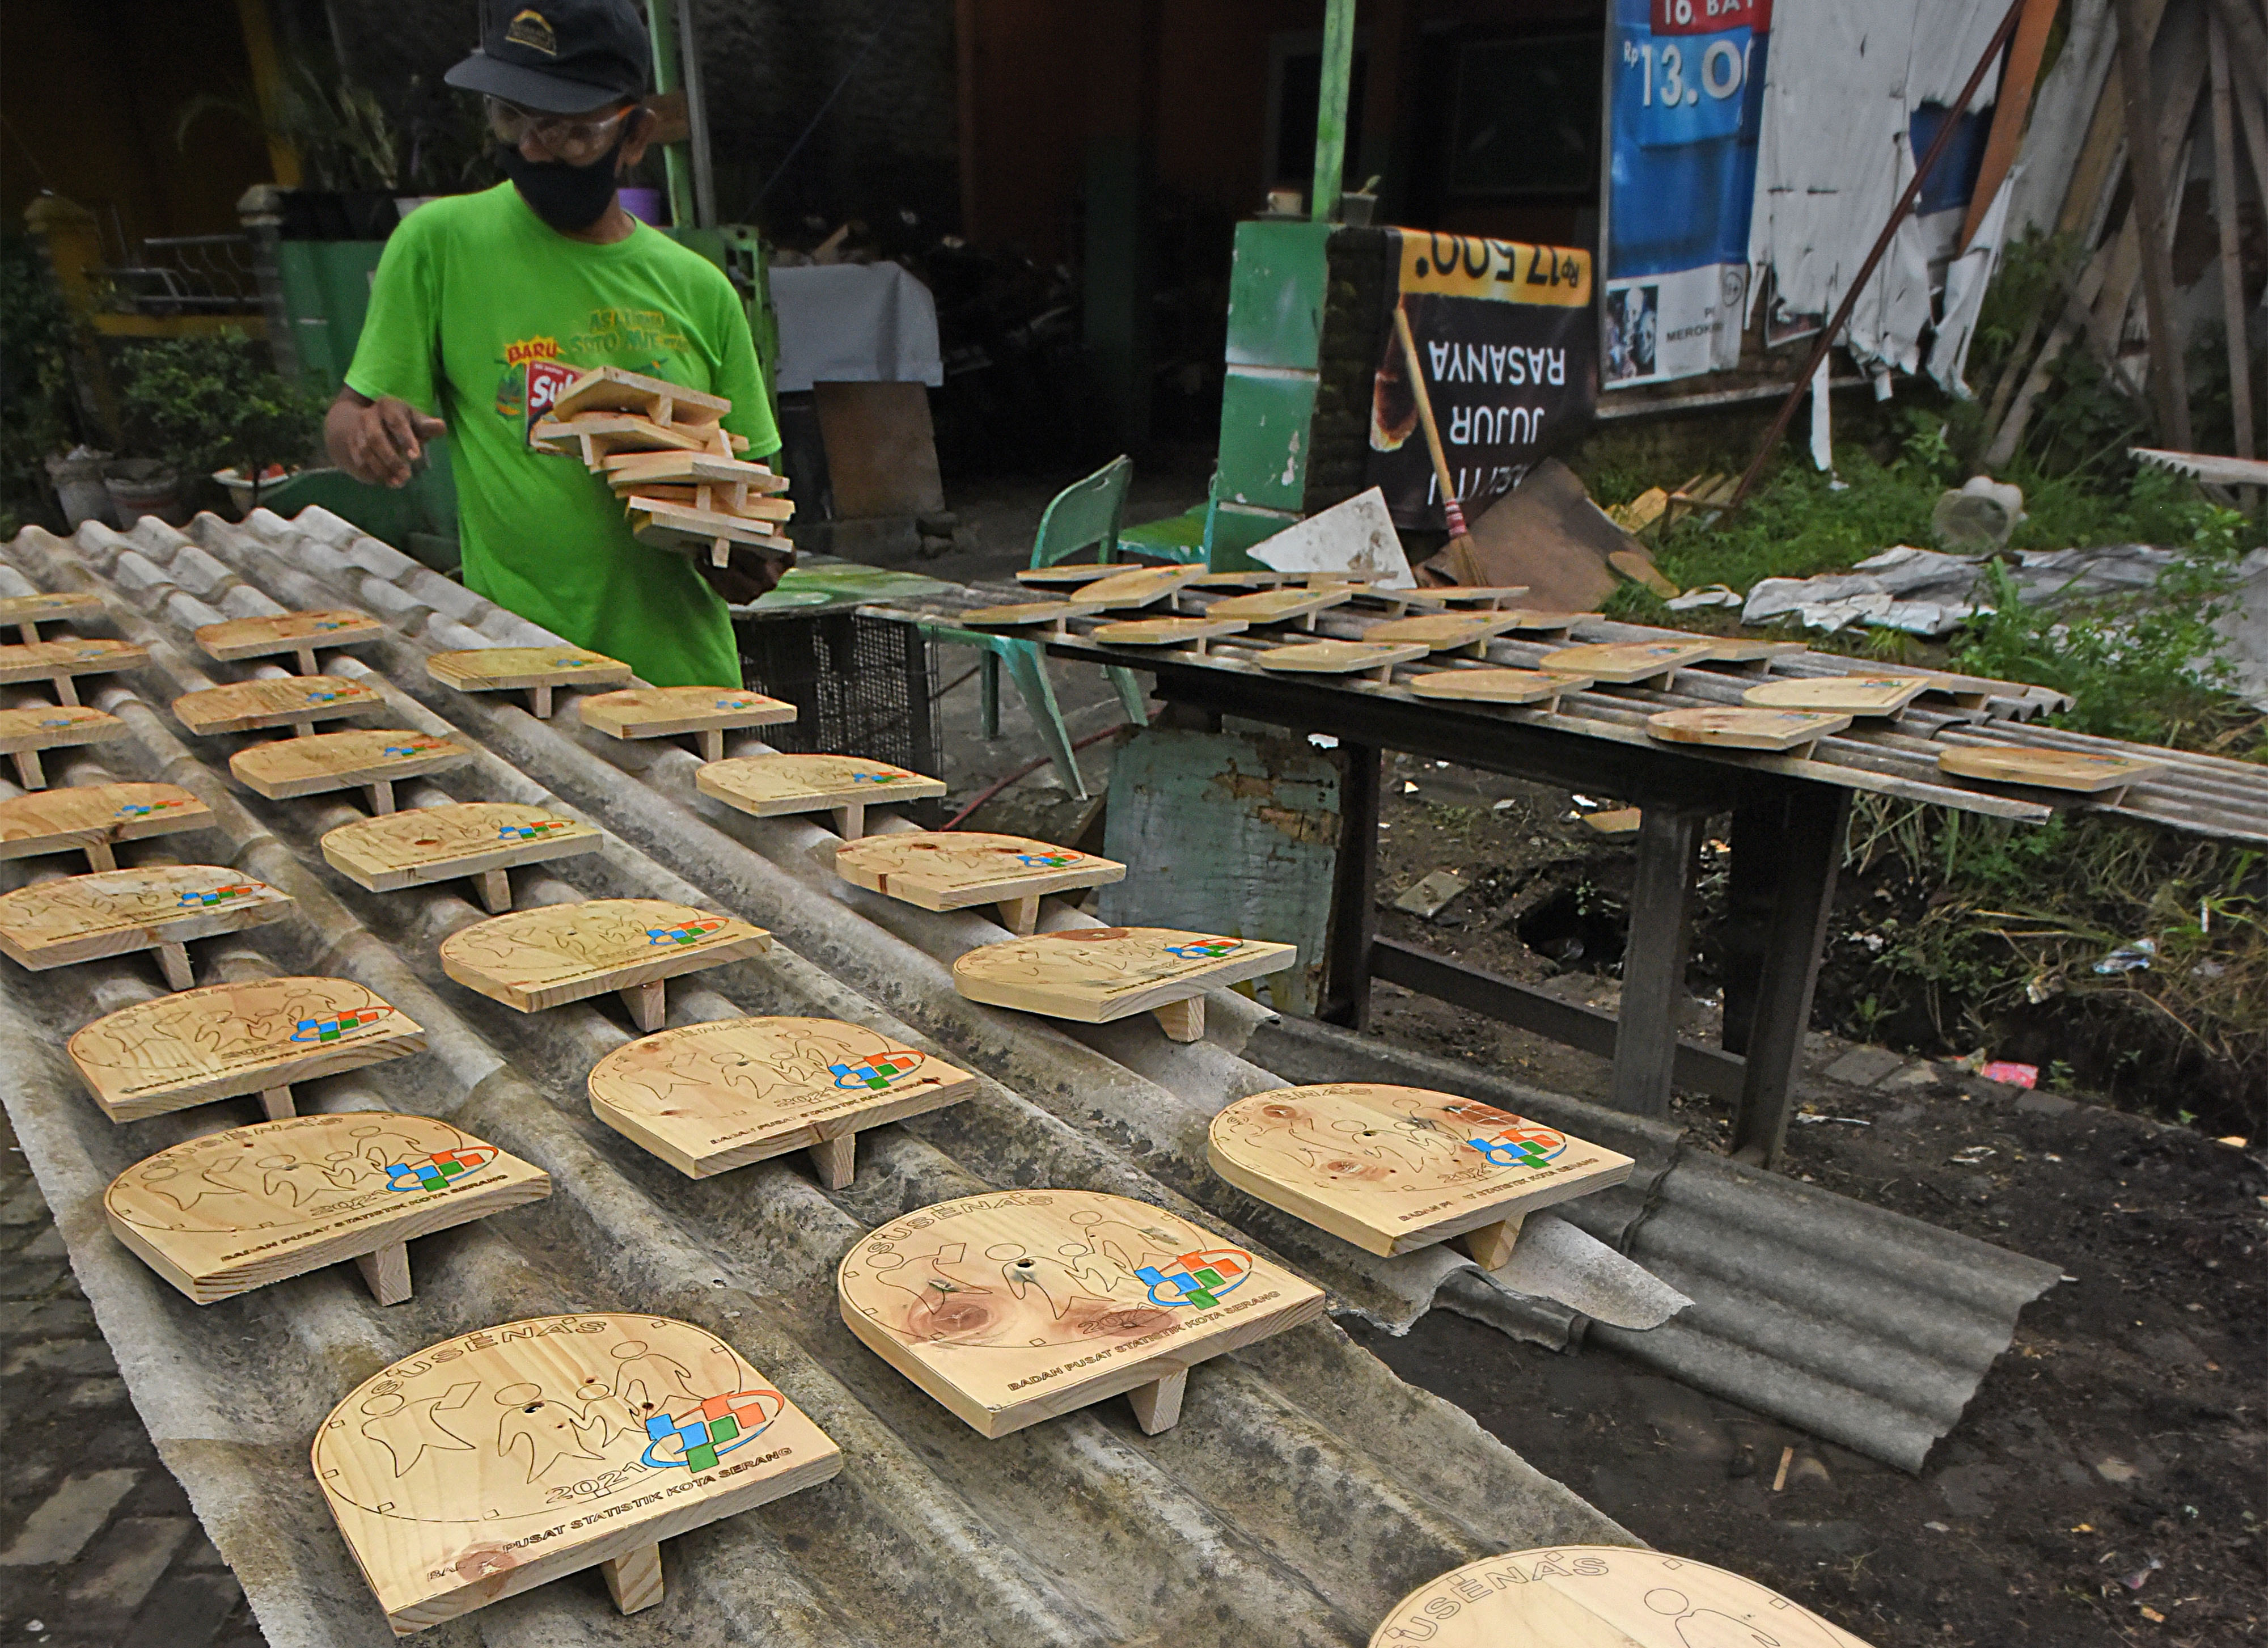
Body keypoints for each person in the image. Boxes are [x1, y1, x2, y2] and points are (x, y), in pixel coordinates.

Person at [326, 0, 780, 688]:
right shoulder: (439, 246)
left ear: (634, 137)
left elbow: (759, 491)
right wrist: (364, 435)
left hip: (683, 681)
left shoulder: (700, 290)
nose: (534, 150)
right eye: (512, 119)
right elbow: (347, 418)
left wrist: (750, 553)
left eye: (570, 133)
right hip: (522, 677)